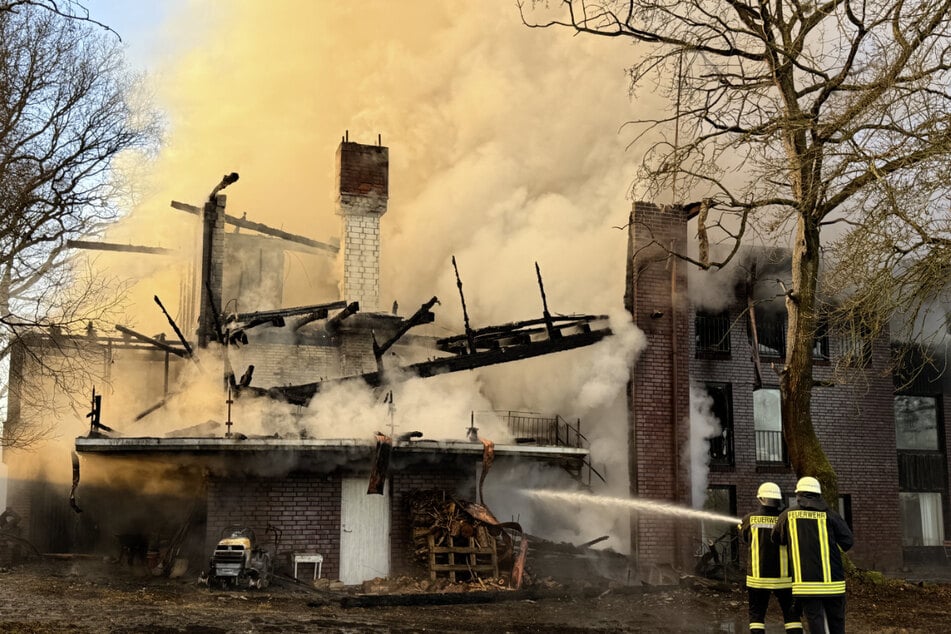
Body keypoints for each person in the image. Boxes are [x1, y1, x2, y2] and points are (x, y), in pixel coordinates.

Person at [772, 476, 854, 634]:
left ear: (799, 495)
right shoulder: (831, 515)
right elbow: (848, 541)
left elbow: (777, 539)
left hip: (806, 584)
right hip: (834, 583)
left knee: (815, 623)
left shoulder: (788, 515)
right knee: (837, 624)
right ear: (818, 494)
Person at [738, 482, 803, 633]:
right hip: (784, 578)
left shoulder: (750, 519)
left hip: (758, 579)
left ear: (761, 499)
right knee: (791, 614)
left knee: (757, 615)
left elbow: (745, 538)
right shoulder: (787, 519)